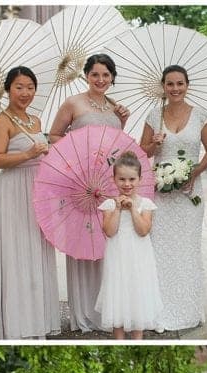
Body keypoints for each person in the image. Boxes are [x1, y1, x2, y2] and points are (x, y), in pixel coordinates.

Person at [47, 54, 131, 333]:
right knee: (82, 242)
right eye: (95, 74)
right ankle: (83, 313)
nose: (101, 80)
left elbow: (116, 145)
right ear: (86, 76)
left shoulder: (115, 108)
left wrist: (124, 122)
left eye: (106, 75)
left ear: (112, 78)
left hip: (107, 183)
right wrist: (76, 155)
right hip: (78, 181)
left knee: (107, 243)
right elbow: (54, 135)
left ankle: (107, 309)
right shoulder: (73, 103)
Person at [139, 65, 207, 332]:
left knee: (187, 248)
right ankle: (158, 308)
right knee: (159, 250)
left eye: (180, 83)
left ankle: (188, 308)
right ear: (163, 86)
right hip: (160, 194)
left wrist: (195, 172)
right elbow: (141, 151)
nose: (175, 89)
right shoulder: (153, 115)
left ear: (187, 85)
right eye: (170, 84)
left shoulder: (200, 116)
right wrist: (154, 145)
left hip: (189, 195)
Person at [0, 66, 61, 340]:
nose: (25, 92)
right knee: (18, 251)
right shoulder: (0, 122)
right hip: (13, 189)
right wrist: (29, 152)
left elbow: (43, 154)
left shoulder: (36, 121)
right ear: (8, 89)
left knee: (38, 250)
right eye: (19, 86)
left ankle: (39, 318)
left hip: (37, 188)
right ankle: (19, 322)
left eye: (30, 87)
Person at [96, 151, 162, 339]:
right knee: (118, 295)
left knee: (137, 293)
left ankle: (137, 338)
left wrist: (133, 208)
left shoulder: (145, 204)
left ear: (140, 179)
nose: (127, 184)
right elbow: (109, 231)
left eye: (132, 179)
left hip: (139, 258)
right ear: (114, 179)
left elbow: (143, 230)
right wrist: (117, 208)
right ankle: (118, 339)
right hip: (117, 257)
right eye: (122, 179)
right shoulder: (109, 204)